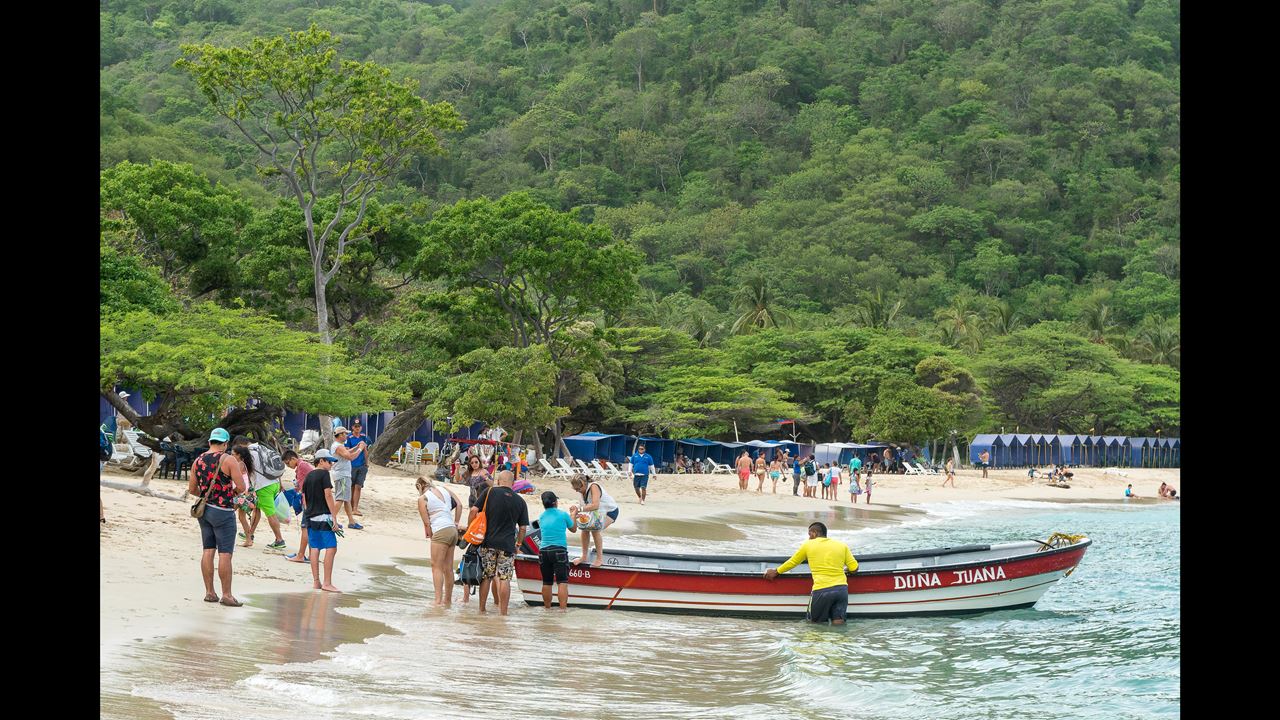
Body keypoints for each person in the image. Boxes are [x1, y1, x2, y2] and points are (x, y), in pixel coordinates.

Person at [187, 428, 249, 607]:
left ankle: (209, 592)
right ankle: (227, 595)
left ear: (209, 442)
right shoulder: (227, 459)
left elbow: (192, 489)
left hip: (204, 511)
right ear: (225, 443)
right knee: (225, 553)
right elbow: (241, 486)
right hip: (223, 511)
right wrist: (228, 494)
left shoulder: (197, 461)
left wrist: (207, 494)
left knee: (208, 550)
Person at [764, 522, 859, 625]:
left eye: (809, 534)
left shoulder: (808, 545)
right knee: (838, 622)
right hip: (842, 590)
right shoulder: (841, 545)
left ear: (814, 533)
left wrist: (776, 571)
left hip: (822, 590)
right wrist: (846, 570)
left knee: (815, 625)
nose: (809, 538)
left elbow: (793, 562)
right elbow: (854, 568)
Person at [468, 470, 529, 615]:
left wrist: (470, 530)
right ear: (513, 484)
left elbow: (473, 511)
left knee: (487, 577)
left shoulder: (489, 492)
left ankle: (482, 610)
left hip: (488, 542)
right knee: (504, 578)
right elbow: (522, 528)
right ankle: (503, 613)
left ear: (498, 481)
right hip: (507, 545)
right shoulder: (520, 501)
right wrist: (518, 545)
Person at [231, 436, 288, 551]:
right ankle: (250, 534)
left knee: (270, 514)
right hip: (274, 482)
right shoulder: (261, 448)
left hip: (263, 486)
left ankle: (279, 539)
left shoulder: (249, 454)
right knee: (257, 509)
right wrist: (280, 483)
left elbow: (241, 472)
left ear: (241, 445)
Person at [416, 476, 463, 607]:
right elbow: (459, 504)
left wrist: (432, 537)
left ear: (419, 487)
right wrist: (457, 522)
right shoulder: (444, 489)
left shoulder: (423, 498)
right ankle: (447, 600)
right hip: (452, 530)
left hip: (440, 530)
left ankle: (437, 600)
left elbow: (427, 524)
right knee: (448, 568)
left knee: (436, 566)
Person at [302, 449, 342, 592]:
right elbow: (328, 495)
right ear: (321, 461)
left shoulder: (308, 476)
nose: (331, 464)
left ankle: (316, 582)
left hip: (310, 516)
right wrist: (334, 517)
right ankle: (327, 582)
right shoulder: (324, 474)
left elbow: (304, 498)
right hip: (323, 516)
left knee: (315, 548)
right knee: (331, 548)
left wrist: (308, 513)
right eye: (329, 461)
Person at [536, 490, 579, 610]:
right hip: (559, 550)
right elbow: (573, 529)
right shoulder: (562, 514)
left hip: (543, 551)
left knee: (546, 582)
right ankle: (562, 610)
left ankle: (547, 609)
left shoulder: (541, 517)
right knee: (562, 581)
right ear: (556, 502)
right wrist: (573, 515)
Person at [570, 474, 619, 568]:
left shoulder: (594, 486)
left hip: (609, 511)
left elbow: (595, 505)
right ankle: (584, 556)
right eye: (575, 489)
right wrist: (575, 508)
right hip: (596, 512)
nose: (577, 491)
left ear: (584, 484)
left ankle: (599, 559)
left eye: (578, 489)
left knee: (595, 529)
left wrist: (579, 509)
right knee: (584, 529)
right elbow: (584, 505)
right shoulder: (581, 490)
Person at [283, 451, 315, 563]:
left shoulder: (302, 466)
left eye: (288, 463)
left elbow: (302, 487)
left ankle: (301, 555)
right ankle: (312, 556)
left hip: (309, 500)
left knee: (305, 528)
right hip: (312, 499)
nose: (288, 466)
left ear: (293, 459)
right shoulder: (303, 466)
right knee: (310, 528)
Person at [330, 427, 363, 530]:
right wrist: (360, 449)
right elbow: (350, 457)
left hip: (342, 475)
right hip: (342, 475)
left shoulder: (339, 446)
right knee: (340, 498)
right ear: (340, 435)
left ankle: (351, 521)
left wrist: (356, 447)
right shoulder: (338, 446)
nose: (347, 436)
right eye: (345, 434)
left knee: (346, 499)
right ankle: (331, 520)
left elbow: (347, 452)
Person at [346, 420, 370, 517]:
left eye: (359, 426)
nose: (357, 428)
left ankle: (355, 508)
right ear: (352, 427)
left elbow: (365, 451)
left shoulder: (364, 437)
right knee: (352, 486)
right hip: (352, 465)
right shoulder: (349, 438)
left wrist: (366, 463)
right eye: (355, 426)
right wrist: (358, 447)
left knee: (358, 486)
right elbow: (348, 451)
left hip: (362, 465)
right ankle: (351, 507)